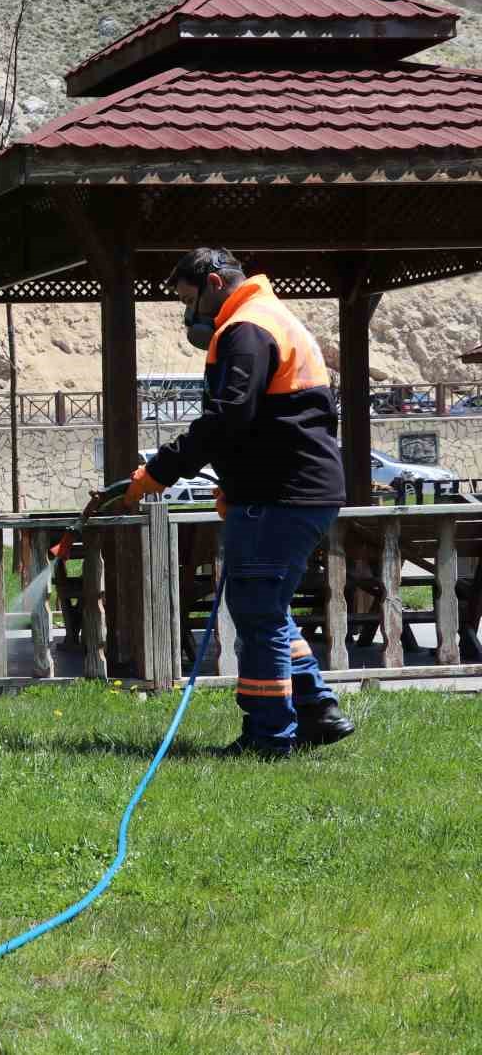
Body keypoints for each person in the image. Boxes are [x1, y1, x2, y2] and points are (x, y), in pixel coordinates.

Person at [124, 247, 355, 757]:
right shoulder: (269, 316)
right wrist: (239, 481)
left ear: (212, 283)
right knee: (266, 606)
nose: (189, 314)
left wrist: (159, 472)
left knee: (255, 609)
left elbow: (228, 417)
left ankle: (268, 735)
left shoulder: (246, 328)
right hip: (291, 489)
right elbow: (273, 421)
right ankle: (317, 710)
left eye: (189, 300)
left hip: (284, 493)